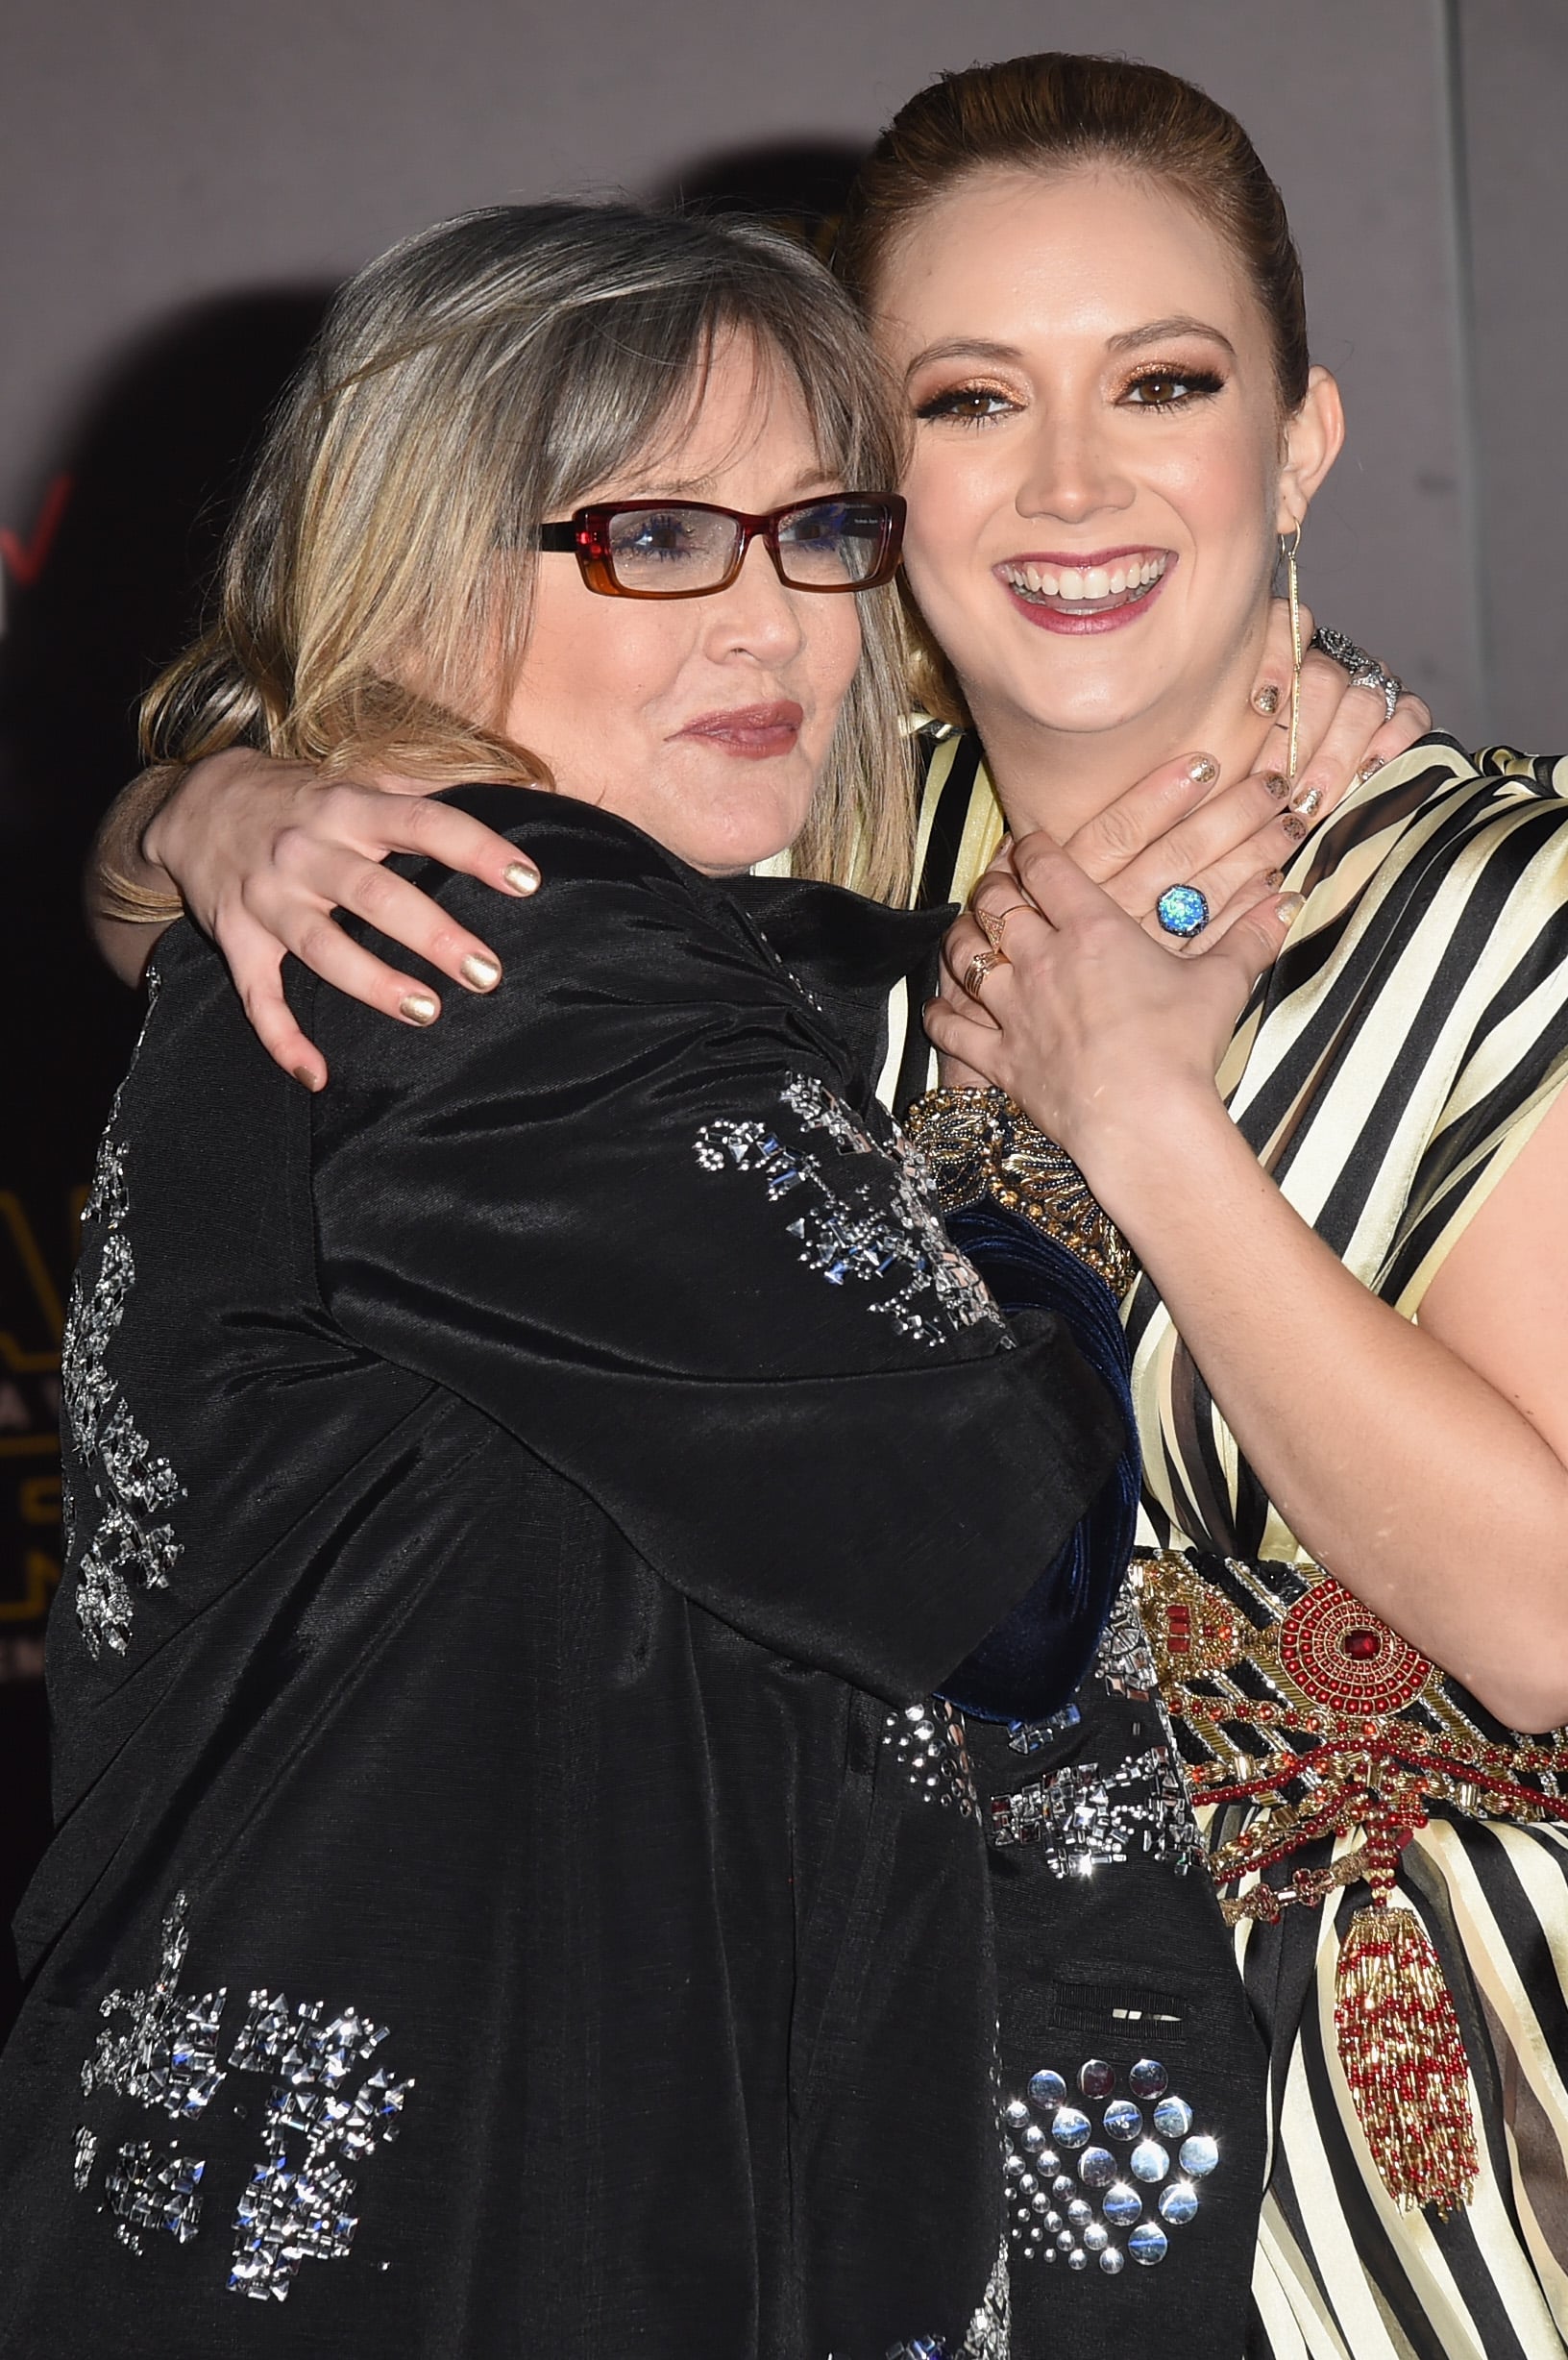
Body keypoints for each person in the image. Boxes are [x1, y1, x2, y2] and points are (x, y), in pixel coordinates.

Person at [78, 57, 1543, 2360]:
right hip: (760, 2110)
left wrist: (1134, 1116)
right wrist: (213, 799)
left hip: (1403, 2093)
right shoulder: (695, 882)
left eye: (1164, 381)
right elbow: (984, 1539)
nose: (1071, 480)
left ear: (1306, 437)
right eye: (966, 401)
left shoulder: (1474, 896)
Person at [0, 197, 1152, 2357]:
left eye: (818, 530)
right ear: (425, 556)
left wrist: (185, 805)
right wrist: (1070, 1144)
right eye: (653, 539)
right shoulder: (527, 956)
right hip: (472, 2235)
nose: (774, 625)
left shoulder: (413, 917)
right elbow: (1003, 1563)